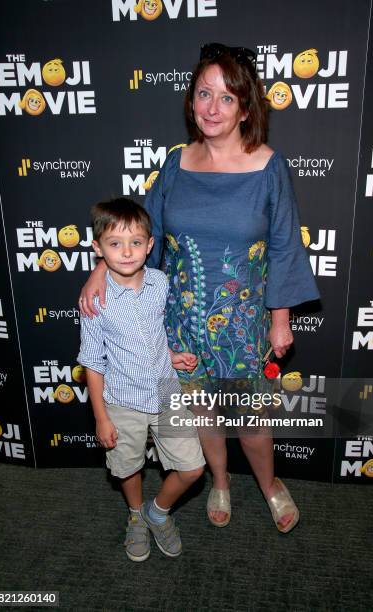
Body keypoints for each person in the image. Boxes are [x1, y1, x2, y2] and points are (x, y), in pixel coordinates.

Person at [79, 43, 319, 534]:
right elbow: (140, 231)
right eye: (204, 94)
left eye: (227, 98)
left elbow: (283, 246)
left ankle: (271, 485)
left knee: (251, 421)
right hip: (182, 321)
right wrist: (101, 268)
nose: (212, 107)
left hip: (244, 324)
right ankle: (221, 480)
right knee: (202, 412)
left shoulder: (269, 166)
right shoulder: (176, 163)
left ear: (246, 108)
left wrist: (280, 321)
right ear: (191, 102)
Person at [78, 198, 205, 562]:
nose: (127, 251)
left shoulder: (160, 283)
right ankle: (136, 514)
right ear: (98, 249)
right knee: (128, 466)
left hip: (166, 390)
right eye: (115, 244)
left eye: (136, 242)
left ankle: (157, 511)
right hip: (121, 399)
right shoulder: (95, 300)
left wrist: (169, 356)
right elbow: (92, 361)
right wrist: (101, 417)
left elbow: (150, 335)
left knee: (193, 468)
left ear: (150, 245)